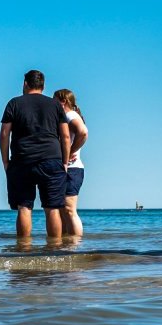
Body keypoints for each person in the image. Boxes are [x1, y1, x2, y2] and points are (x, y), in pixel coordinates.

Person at [0, 70, 71, 239]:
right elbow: (66, 136)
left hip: (22, 160)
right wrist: (65, 162)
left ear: (25, 84)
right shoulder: (55, 105)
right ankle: (54, 252)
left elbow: (4, 134)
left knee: (24, 207)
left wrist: (5, 161)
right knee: (52, 208)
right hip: (51, 160)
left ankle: (23, 251)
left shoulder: (14, 103)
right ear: (43, 86)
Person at [53, 89, 88, 236]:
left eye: (54, 100)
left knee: (69, 209)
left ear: (63, 101)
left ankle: (76, 245)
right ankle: (67, 247)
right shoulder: (65, 117)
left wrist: (70, 152)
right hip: (66, 168)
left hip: (73, 169)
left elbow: (83, 133)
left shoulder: (70, 116)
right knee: (62, 210)